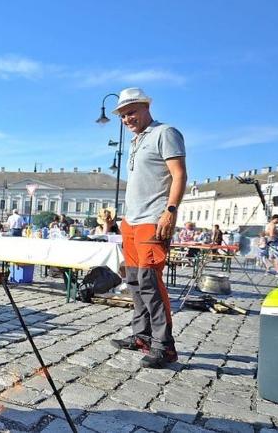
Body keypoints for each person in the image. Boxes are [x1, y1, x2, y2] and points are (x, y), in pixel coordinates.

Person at [108, 87, 186, 369]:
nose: (127, 118)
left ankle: (164, 346)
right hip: (132, 220)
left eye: (131, 112)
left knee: (151, 281)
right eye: (123, 115)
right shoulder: (136, 140)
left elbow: (179, 174)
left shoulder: (165, 133)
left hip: (153, 219)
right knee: (134, 281)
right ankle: (142, 336)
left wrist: (170, 213)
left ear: (145, 107)